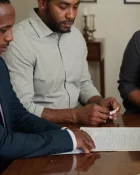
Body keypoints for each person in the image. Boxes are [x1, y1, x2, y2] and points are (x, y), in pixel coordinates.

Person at [0, 0, 95, 161]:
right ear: (43, 3)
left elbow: (17, 114)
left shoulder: (0, 65)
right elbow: (3, 144)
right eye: (3, 30)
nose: (10, 37)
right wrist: (68, 139)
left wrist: (65, 132)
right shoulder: (20, 43)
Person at [1, 0, 120, 126]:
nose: (71, 15)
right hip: (41, 131)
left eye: (75, 7)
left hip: (80, 126)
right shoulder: (18, 41)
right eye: (63, 7)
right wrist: (75, 115)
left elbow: (83, 84)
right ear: (42, 3)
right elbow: (22, 109)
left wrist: (99, 102)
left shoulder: (76, 36)